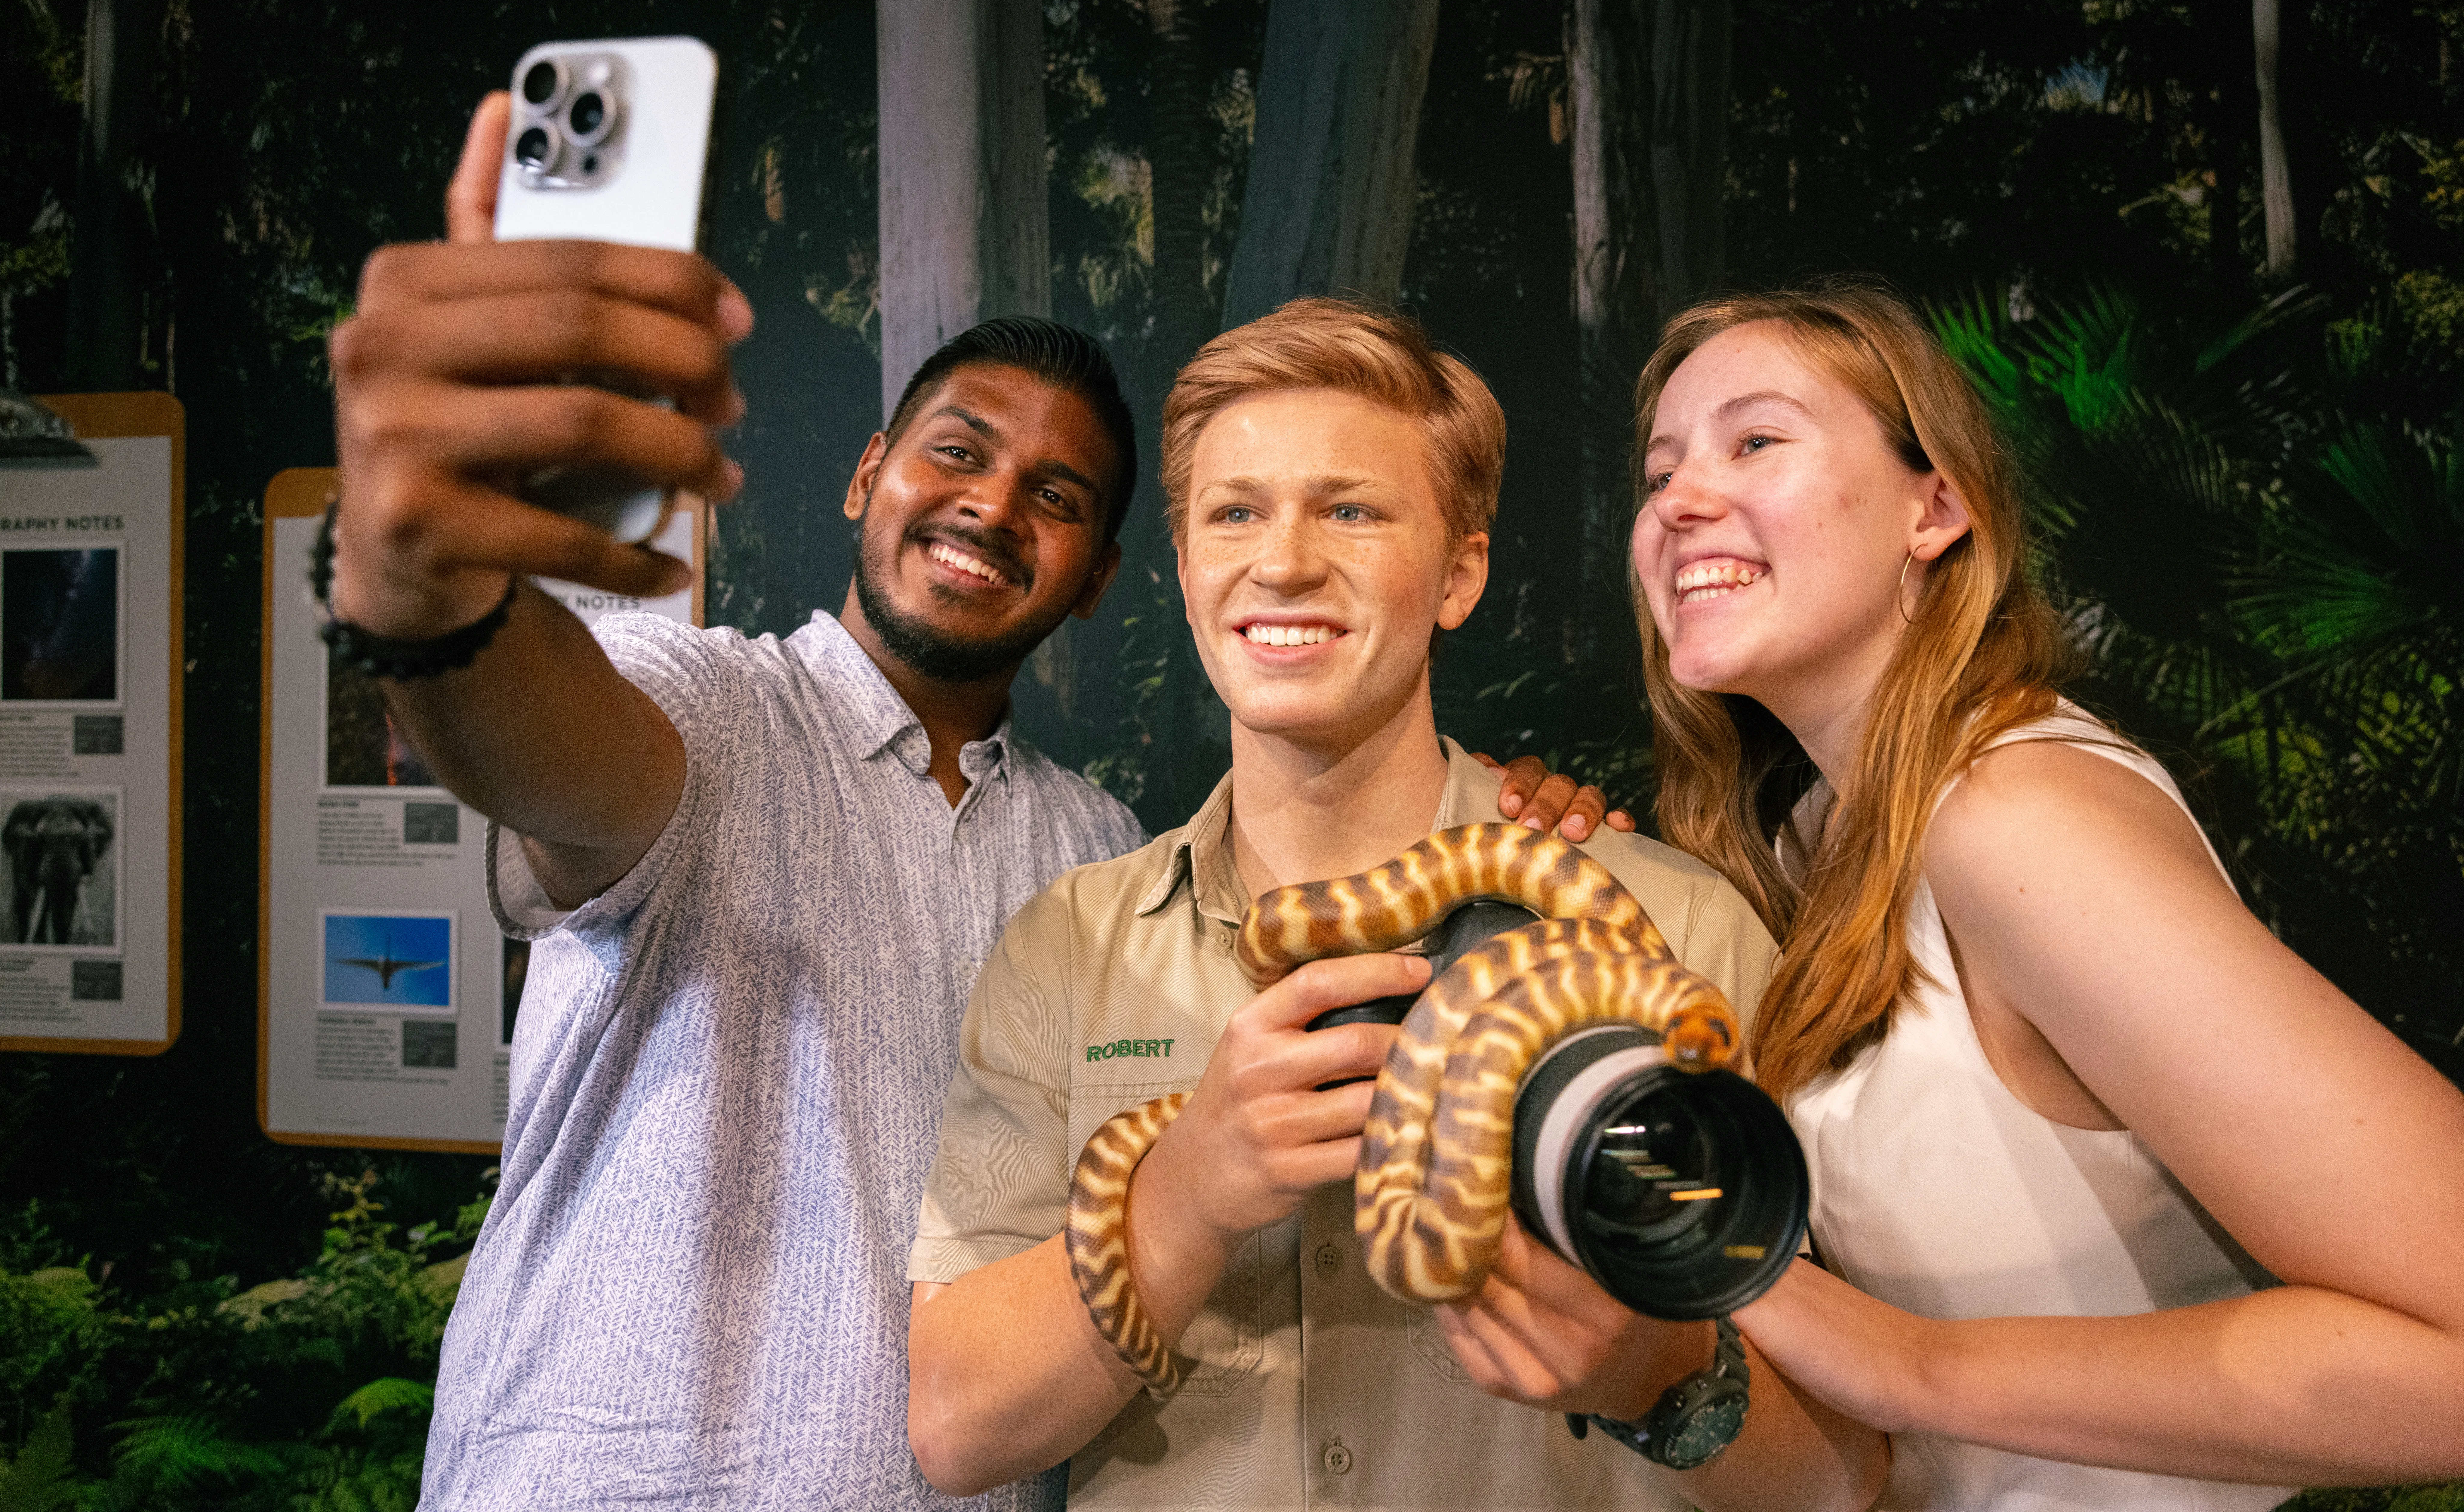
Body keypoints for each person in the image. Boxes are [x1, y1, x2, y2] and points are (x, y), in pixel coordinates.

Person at [331, 97, 1613, 1512]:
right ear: (866, 476)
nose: (993, 506)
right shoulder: (708, 711)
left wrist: (1503, 823)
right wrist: (426, 588)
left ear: (1101, 578)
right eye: (956, 451)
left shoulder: (1104, 854)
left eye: (1055, 495)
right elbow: (534, 743)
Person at [1448, 281, 2464, 1508]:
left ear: (1933, 510)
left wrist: (1909, 1365)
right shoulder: (1820, 841)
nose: (1678, 501)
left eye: (1754, 441)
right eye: (1660, 472)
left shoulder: (2014, 818)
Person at [905, 297, 1889, 1510]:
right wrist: (1186, 1193)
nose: (1282, 562)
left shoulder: (1672, 931)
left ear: (1460, 573)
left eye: (1351, 512)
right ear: (1187, 569)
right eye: (1234, 514)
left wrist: (1655, 1370)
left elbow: (1848, 1475)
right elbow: (955, 1432)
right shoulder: (1069, 944)